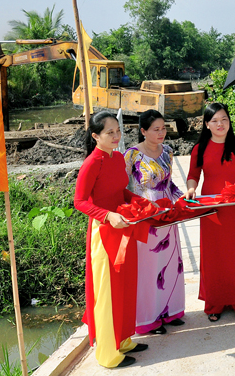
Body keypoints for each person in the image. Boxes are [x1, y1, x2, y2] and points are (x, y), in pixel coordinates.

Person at [74, 111, 147, 368]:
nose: (116, 136)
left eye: (118, 131)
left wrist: (138, 201)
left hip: (124, 227)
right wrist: (107, 216)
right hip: (104, 233)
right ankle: (108, 354)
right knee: (107, 293)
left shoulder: (117, 158)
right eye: (110, 132)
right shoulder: (92, 163)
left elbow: (120, 191)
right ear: (95, 136)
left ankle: (124, 339)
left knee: (126, 286)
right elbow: (79, 201)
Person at [186, 103, 235, 323]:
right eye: (215, 120)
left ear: (229, 121)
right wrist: (191, 189)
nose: (220, 124)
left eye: (224, 119)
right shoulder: (199, 149)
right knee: (214, 256)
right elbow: (193, 175)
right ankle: (215, 303)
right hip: (211, 209)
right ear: (206, 124)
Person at [124, 110, 186, 335]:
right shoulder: (131, 155)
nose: (161, 133)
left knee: (170, 264)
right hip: (146, 216)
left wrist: (184, 200)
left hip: (168, 214)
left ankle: (170, 312)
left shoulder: (167, 151)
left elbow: (169, 184)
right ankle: (149, 319)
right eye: (155, 129)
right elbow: (124, 187)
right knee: (149, 268)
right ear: (143, 131)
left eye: (163, 128)